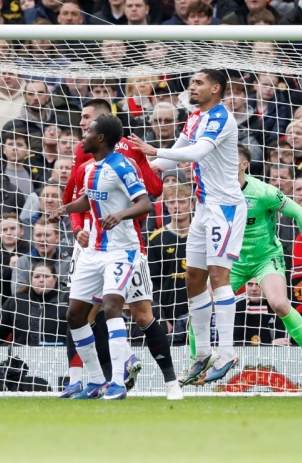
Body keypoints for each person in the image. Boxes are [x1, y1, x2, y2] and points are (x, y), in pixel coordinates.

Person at [128, 69, 247, 387]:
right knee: (194, 278)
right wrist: (137, 169)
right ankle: (203, 353)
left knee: (219, 276)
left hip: (225, 210)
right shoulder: (195, 117)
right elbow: (172, 157)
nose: (192, 87)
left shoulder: (221, 118)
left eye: (199, 83)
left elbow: (196, 153)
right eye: (191, 82)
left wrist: (156, 151)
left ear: (216, 88)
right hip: (204, 209)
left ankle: (227, 352)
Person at [51, 114, 154, 401]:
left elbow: (145, 202)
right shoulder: (88, 169)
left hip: (121, 251)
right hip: (93, 251)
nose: (81, 136)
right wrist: (66, 209)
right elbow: (89, 200)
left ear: (100, 139)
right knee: (74, 315)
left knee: (111, 306)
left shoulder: (123, 166)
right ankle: (96, 380)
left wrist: (120, 215)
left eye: (87, 132)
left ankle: (118, 382)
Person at [231, 144, 302, 386]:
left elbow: (299, 212)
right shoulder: (215, 190)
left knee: (279, 304)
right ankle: (197, 362)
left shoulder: (263, 191)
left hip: (266, 257)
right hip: (233, 259)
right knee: (201, 303)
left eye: (231, 159)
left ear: (244, 165)